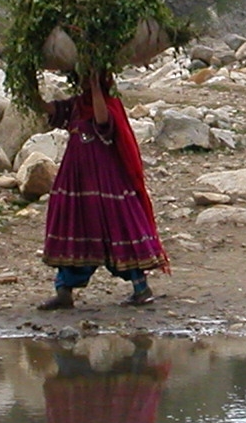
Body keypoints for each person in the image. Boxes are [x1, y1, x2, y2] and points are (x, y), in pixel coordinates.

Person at [39, 71, 167, 309]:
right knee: (73, 225)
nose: (84, 84)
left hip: (106, 178)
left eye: (89, 80)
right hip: (75, 179)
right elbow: (47, 109)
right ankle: (64, 291)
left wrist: (97, 86)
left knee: (118, 227)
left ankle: (141, 288)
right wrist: (26, 86)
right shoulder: (76, 105)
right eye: (84, 79)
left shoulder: (109, 105)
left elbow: (101, 121)